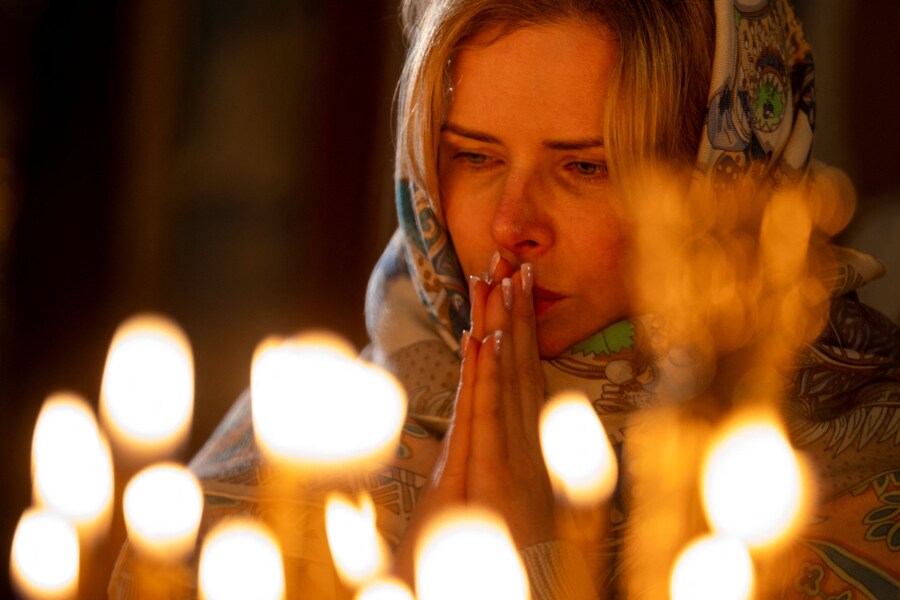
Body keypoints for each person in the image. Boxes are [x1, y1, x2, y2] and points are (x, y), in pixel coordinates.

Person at [110, 0, 900, 598]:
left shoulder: (864, 469)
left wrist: (530, 565)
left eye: (585, 167)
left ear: (723, 172)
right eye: (474, 156)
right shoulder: (298, 449)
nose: (511, 226)